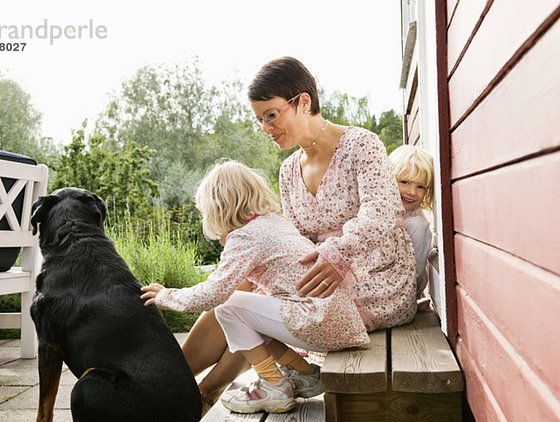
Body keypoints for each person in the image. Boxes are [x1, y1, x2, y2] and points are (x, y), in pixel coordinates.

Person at [173, 56, 417, 414]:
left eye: (271, 115)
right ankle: (176, 382)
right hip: (319, 279)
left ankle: (195, 394)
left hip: (376, 278)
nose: (267, 127)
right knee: (239, 288)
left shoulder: (361, 145)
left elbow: (381, 213)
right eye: (260, 121)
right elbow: (294, 238)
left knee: (244, 304)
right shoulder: (289, 170)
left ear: (303, 101)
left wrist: (339, 255)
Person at [141, 160, 368, 414]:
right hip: (337, 320)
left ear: (218, 207)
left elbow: (213, 294)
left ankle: (273, 385)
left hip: (318, 320)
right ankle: (303, 372)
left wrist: (165, 296)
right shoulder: (274, 222)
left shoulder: (245, 236)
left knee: (228, 307)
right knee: (251, 315)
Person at [389, 145, 434, 308]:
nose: (412, 192)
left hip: (398, 292)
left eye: (420, 186)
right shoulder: (386, 211)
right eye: (405, 182)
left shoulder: (417, 225)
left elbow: (415, 273)